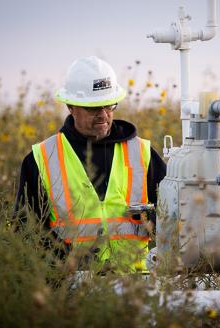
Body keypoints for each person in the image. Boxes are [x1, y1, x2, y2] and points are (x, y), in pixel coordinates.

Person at [14, 56, 167, 272]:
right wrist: (65, 259)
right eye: (94, 108)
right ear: (70, 106)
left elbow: (177, 217)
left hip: (136, 287)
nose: (104, 115)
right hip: (71, 289)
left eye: (109, 105)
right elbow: (25, 230)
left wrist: (155, 221)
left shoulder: (143, 154)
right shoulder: (41, 159)